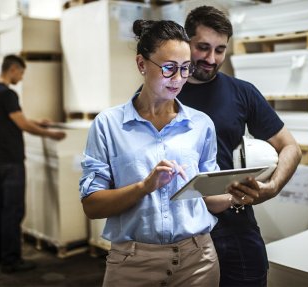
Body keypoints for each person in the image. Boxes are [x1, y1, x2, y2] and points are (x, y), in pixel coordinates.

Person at [79, 20, 221, 286]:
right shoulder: (108, 125)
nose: (178, 79)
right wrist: (145, 186)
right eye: (169, 68)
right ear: (142, 64)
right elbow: (92, 205)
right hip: (133, 263)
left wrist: (238, 193)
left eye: (185, 68)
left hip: (198, 261)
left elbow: (207, 197)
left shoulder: (201, 124)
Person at [177, 6, 303, 286]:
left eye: (220, 50)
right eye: (203, 47)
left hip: (234, 226)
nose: (211, 59)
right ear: (186, 43)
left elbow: (290, 147)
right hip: (178, 230)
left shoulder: (241, 92)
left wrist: (271, 188)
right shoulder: (161, 92)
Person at [0, 54, 66, 274]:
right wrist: (50, 134)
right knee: (13, 210)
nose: (20, 77)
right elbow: (22, 125)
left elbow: (9, 120)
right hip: (12, 160)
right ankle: (11, 260)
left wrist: (36, 121)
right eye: (20, 73)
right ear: (12, 69)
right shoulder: (8, 93)